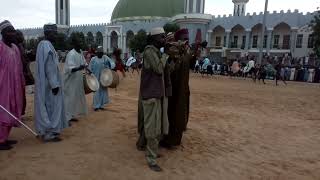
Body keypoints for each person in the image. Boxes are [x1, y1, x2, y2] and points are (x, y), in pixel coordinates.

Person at [137, 27, 169, 172]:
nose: (164, 40)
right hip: (150, 96)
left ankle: (152, 152)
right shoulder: (149, 51)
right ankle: (151, 159)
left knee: (156, 127)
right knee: (151, 128)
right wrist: (166, 55)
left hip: (155, 94)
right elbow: (158, 69)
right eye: (162, 37)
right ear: (155, 38)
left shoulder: (155, 52)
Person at [160, 29, 197, 148]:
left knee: (181, 114)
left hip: (183, 89)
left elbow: (190, 65)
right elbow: (170, 69)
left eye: (187, 38)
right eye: (184, 38)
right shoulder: (172, 50)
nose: (186, 40)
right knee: (171, 114)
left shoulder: (186, 51)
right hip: (173, 90)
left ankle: (176, 139)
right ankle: (168, 139)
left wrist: (194, 52)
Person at [34, 24, 68, 142]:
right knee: (52, 107)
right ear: (47, 33)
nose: (56, 35)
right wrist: (54, 84)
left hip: (47, 84)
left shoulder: (43, 45)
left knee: (48, 106)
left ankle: (47, 131)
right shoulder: (46, 45)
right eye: (54, 33)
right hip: (51, 85)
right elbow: (49, 67)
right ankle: (50, 133)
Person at [0, 20, 25, 150]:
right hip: (3, 86)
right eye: (9, 31)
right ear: (2, 33)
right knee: (2, 112)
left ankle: (5, 137)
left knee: (12, 109)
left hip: (14, 85)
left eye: (13, 31)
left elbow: (19, 67)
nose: (12, 34)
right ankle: (0, 140)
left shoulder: (15, 48)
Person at [63, 36, 88, 125]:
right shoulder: (71, 54)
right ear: (74, 44)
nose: (81, 43)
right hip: (70, 81)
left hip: (77, 80)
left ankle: (71, 116)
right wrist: (79, 67)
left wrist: (86, 67)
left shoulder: (80, 53)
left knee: (75, 98)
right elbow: (71, 69)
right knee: (69, 98)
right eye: (79, 42)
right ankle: (66, 118)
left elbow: (84, 63)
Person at [14, 30, 35, 116]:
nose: (22, 37)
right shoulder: (14, 47)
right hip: (17, 76)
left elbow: (25, 59)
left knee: (22, 95)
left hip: (23, 74)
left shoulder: (20, 46)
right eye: (20, 35)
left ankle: (20, 112)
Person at [89, 46, 115, 111]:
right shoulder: (93, 59)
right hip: (95, 77)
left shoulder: (105, 58)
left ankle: (101, 105)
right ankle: (96, 106)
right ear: (97, 53)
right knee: (97, 91)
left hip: (104, 78)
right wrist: (90, 74)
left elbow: (112, 64)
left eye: (101, 52)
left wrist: (110, 65)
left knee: (103, 91)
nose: (100, 54)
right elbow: (90, 68)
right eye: (99, 52)